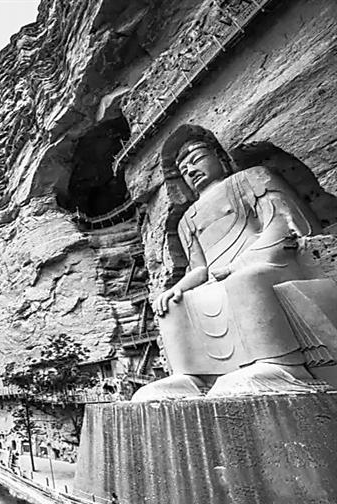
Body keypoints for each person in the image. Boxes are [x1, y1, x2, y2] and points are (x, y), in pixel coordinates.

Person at [132, 125, 337, 401]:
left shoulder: (251, 179)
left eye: (197, 158)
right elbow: (199, 268)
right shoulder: (187, 219)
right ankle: (194, 378)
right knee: (173, 304)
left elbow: (282, 224)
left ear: (220, 157)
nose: (191, 171)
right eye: (184, 170)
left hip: (270, 261)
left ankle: (283, 366)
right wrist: (177, 288)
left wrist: (239, 264)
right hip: (219, 277)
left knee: (245, 280)